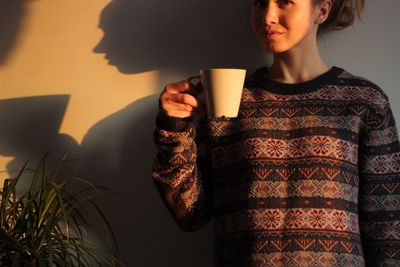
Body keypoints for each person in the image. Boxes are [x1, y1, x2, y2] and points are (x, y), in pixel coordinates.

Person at [152, 0, 400, 266]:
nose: (268, 16)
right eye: (260, 3)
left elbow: (387, 227)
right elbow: (190, 213)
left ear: (323, 10)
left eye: (284, 2)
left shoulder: (364, 101)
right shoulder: (227, 100)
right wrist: (174, 128)